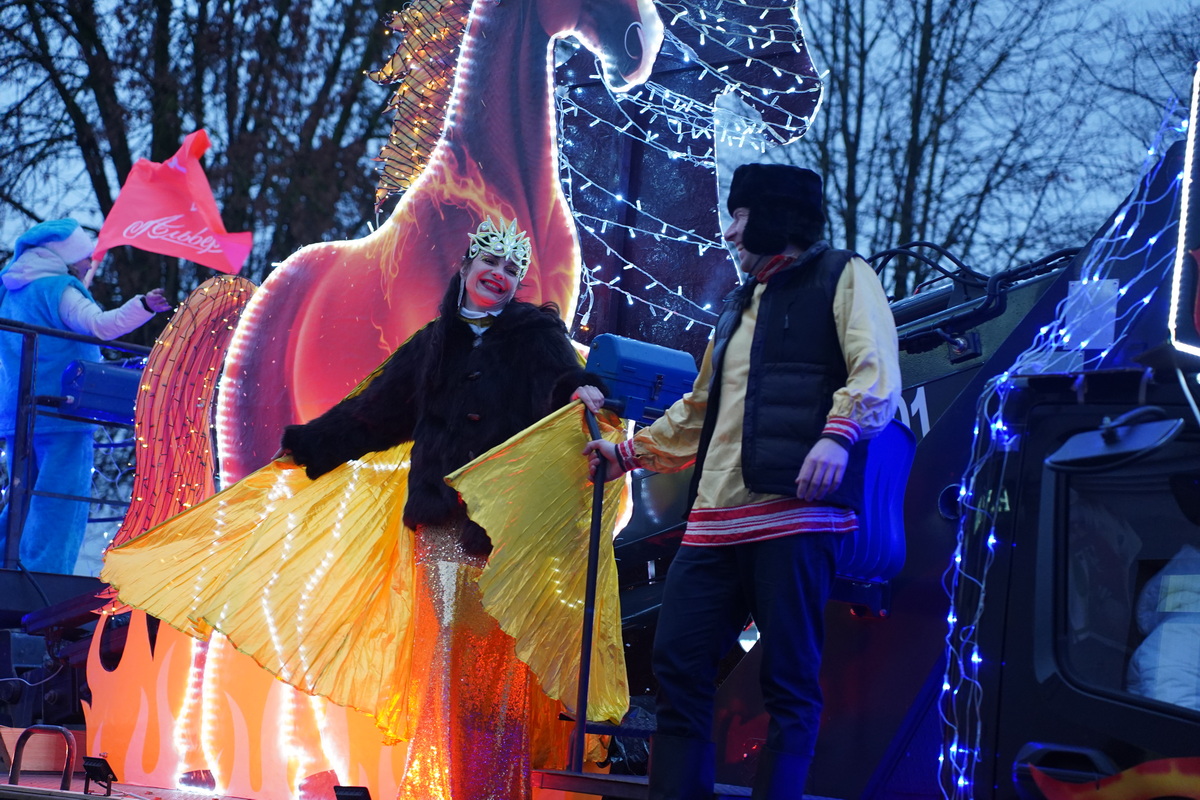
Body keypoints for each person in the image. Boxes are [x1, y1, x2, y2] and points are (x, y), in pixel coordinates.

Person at [103, 216, 611, 799]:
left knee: (488, 676)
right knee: (446, 672)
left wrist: (581, 388)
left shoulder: (533, 334)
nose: (499, 275)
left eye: (511, 269)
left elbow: (563, 379)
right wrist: (309, 445)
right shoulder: (433, 343)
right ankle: (450, 790)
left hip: (501, 529)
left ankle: (490, 791)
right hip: (439, 529)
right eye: (490, 262)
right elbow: (373, 414)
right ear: (468, 265)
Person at [584, 164, 902, 799]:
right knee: (678, 664)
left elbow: (876, 371)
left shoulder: (844, 275)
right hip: (713, 523)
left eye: (741, 217)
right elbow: (701, 408)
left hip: (794, 516)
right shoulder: (737, 305)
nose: (729, 232)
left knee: (788, 678)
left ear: (776, 217)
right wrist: (629, 453)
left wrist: (837, 435)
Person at [0, 218, 171, 574]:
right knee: (60, 502)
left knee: (20, 499)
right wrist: (143, 305)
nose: (89, 263)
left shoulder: (12, 291)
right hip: (64, 412)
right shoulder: (59, 289)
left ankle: (7, 568)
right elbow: (101, 326)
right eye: (84, 257)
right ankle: (46, 576)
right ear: (64, 258)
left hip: (20, 414)